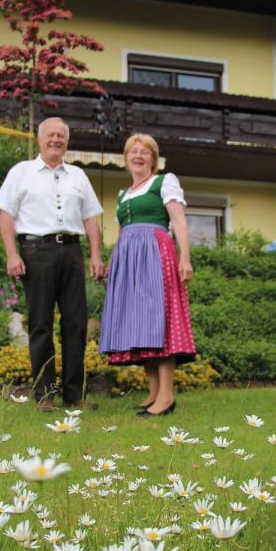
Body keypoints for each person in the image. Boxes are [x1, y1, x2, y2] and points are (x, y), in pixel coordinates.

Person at [0, 117, 104, 411]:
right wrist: (11, 254)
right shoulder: (22, 172)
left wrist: (95, 255)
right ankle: (44, 395)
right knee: (41, 324)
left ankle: (74, 394)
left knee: (76, 324)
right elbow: (5, 215)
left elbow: (91, 217)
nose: (56, 139)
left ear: (66, 141)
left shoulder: (78, 176)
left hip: (71, 252)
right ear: (39, 140)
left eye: (61, 135)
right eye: (51, 135)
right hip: (36, 251)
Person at [99, 133, 196, 416]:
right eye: (133, 151)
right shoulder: (123, 194)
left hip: (156, 254)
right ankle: (154, 392)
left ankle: (166, 396)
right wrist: (113, 264)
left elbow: (178, 220)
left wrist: (185, 258)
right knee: (142, 324)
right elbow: (121, 233)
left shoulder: (163, 182)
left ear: (153, 159)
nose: (138, 156)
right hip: (129, 261)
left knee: (159, 321)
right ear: (126, 158)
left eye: (145, 152)